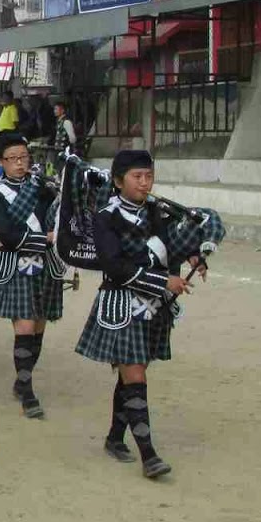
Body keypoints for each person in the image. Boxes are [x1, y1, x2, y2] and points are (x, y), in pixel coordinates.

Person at [75, 149, 197, 480]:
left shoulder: (159, 212)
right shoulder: (105, 217)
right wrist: (163, 280)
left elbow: (172, 246)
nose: (145, 183)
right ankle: (149, 455)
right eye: (137, 177)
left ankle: (115, 438)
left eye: (149, 176)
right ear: (118, 181)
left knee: (132, 374)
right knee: (136, 377)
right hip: (121, 303)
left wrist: (197, 250)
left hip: (154, 306)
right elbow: (113, 266)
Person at [0, 133, 67, 419]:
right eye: (12, 159)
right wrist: (45, 239)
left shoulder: (40, 186)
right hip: (15, 265)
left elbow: (56, 213)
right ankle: (28, 392)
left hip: (45, 266)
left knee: (39, 327)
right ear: (1, 162)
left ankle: (22, 379)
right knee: (25, 328)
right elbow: (5, 233)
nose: (19, 163)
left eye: (23, 158)